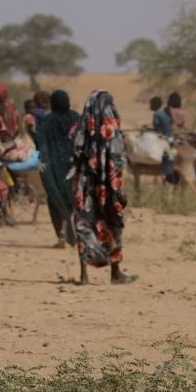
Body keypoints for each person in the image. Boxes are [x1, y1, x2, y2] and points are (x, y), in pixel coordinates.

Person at [70, 91, 135, 285]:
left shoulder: (77, 128)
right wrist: (119, 192)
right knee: (112, 225)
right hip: (107, 187)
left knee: (84, 226)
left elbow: (72, 156)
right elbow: (115, 162)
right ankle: (115, 273)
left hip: (83, 186)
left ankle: (84, 277)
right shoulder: (112, 128)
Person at [35, 90, 79, 248]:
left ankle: (61, 233)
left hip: (53, 166)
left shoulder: (47, 121)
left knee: (55, 197)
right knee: (71, 198)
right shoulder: (75, 117)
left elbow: (39, 140)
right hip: (72, 164)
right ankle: (66, 229)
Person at [150, 96, 177, 184]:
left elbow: (157, 128)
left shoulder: (156, 114)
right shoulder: (164, 113)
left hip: (164, 138)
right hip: (171, 138)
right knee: (170, 157)